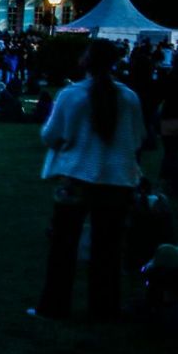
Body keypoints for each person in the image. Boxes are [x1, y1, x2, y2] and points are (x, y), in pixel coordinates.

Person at [31, 39, 146, 321]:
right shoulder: (129, 97)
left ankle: (55, 305)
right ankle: (104, 308)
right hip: (117, 179)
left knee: (63, 245)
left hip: (77, 177)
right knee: (108, 247)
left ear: (85, 61)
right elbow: (139, 137)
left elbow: (50, 135)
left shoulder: (72, 96)